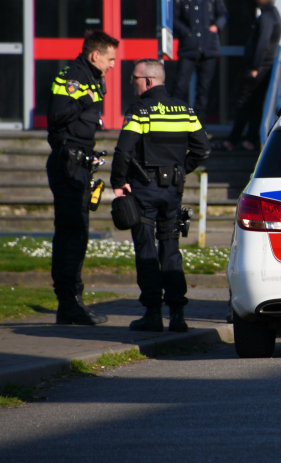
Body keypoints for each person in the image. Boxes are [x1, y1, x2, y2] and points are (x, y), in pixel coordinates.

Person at [110, 58, 210, 332]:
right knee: (171, 249)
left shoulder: (141, 111)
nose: (132, 83)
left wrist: (118, 182)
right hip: (172, 191)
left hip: (144, 190)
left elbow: (123, 150)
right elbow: (203, 150)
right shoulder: (186, 111)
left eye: (135, 79)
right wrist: (180, 171)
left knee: (146, 249)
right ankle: (178, 315)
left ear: (148, 81)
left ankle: (153, 314)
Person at [46, 30, 119, 325]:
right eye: (110, 59)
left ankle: (71, 301)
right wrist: (84, 98)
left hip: (80, 163)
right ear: (95, 56)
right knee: (72, 232)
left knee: (77, 232)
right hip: (68, 163)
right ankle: (69, 302)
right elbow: (57, 114)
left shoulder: (92, 77)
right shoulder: (74, 78)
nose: (113, 64)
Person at [224, 0, 281, 151]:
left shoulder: (267, 17)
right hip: (263, 67)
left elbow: (262, 42)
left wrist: (255, 66)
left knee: (244, 102)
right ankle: (248, 140)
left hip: (259, 68)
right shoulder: (272, 15)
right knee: (254, 104)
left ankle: (234, 140)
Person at [171, 0, 228, 121]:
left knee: (203, 90)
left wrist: (216, 26)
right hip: (188, 48)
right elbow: (174, 19)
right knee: (180, 86)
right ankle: (174, 121)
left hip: (208, 48)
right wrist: (187, 33)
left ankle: (198, 125)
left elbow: (223, 15)